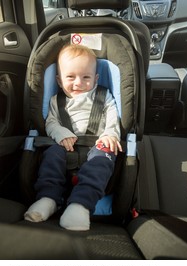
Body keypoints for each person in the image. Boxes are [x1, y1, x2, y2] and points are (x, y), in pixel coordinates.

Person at [24, 44, 122, 231]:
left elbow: (113, 116)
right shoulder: (56, 101)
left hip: (97, 145)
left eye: (86, 77)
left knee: (105, 155)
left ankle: (80, 205)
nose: (78, 83)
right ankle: (48, 198)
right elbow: (51, 123)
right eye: (71, 77)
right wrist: (61, 134)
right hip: (65, 146)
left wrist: (110, 134)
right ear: (59, 81)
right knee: (51, 154)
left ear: (96, 78)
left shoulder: (104, 95)